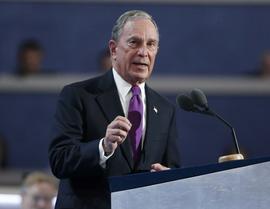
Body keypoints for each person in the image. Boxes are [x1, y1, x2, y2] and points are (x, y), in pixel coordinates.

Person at [49, 10, 180, 209]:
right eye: (134, 42)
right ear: (113, 49)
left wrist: (168, 178)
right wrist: (103, 147)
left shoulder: (164, 109)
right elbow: (59, 160)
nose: (143, 52)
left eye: (151, 44)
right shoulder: (78, 95)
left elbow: (173, 170)